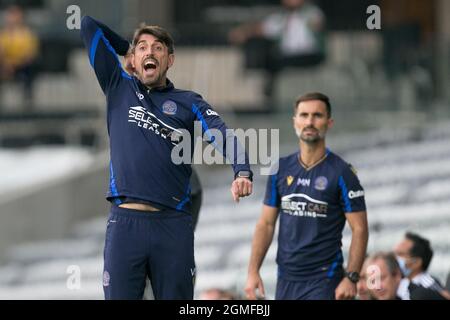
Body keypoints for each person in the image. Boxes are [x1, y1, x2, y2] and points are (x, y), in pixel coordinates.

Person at [80, 16, 253, 300]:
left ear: (169, 60)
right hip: (125, 224)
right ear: (133, 60)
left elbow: (221, 133)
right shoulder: (118, 86)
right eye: (143, 48)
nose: (150, 52)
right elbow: (87, 25)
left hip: (172, 226)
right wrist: (126, 48)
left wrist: (242, 171)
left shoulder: (189, 101)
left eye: (158, 48)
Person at [245, 92, 368, 300]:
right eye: (304, 115)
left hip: (324, 278)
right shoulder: (280, 169)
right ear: (295, 121)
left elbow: (360, 228)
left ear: (329, 123)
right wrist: (252, 271)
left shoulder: (342, 173)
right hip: (285, 278)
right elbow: (265, 224)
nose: (309, 122)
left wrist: (352, 277)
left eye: (317, 116)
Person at [228, 0, 326, 103]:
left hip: (311, 54)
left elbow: (317, 23)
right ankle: (265, 91)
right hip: (288, 56)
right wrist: (243, 32)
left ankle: (269, 90)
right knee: (269, 57)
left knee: (275, 60)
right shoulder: (281, 18)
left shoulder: (312, 12)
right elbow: (262, 28)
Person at [0, 5, 39, 108]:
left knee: (28, 72)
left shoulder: (28, 34)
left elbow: (30, 54)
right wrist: (6, 64)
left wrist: (15, 64)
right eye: (11, 15)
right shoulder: (3, 34)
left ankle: (28, 103)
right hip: (6, 67)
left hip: (22, 67)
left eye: (16, 15)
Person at [394, 232, 450, 300]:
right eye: (394, 253)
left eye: (400, 254)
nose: (394, 258)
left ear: (416, 262)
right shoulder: (398, 283)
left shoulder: (429, 284)